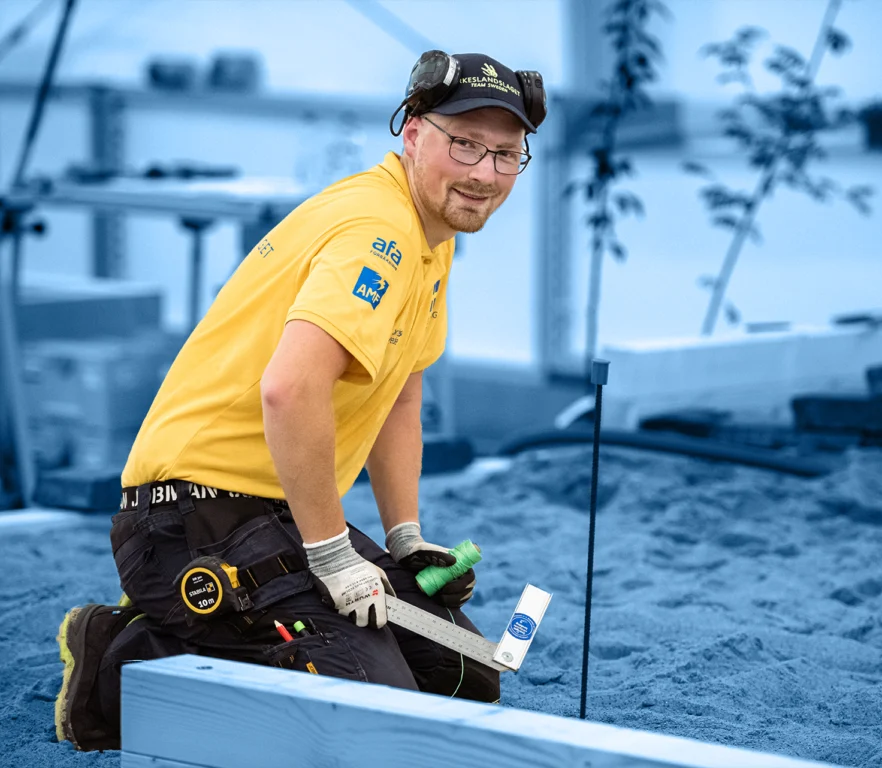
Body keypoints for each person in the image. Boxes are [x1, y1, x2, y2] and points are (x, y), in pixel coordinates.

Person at [54, 50, 546, 751]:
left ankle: (219, 629)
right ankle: (122, 661)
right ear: (411, 134)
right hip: (191, 520)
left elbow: (400, 397)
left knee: (467, 674)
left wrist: (403, 538)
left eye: (505, 154)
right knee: (383, 724)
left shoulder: (429, 238)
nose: (483, 173)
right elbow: (289, 390)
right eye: (463, 144)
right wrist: (333, 553)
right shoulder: (377, 236)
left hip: (277, 509)